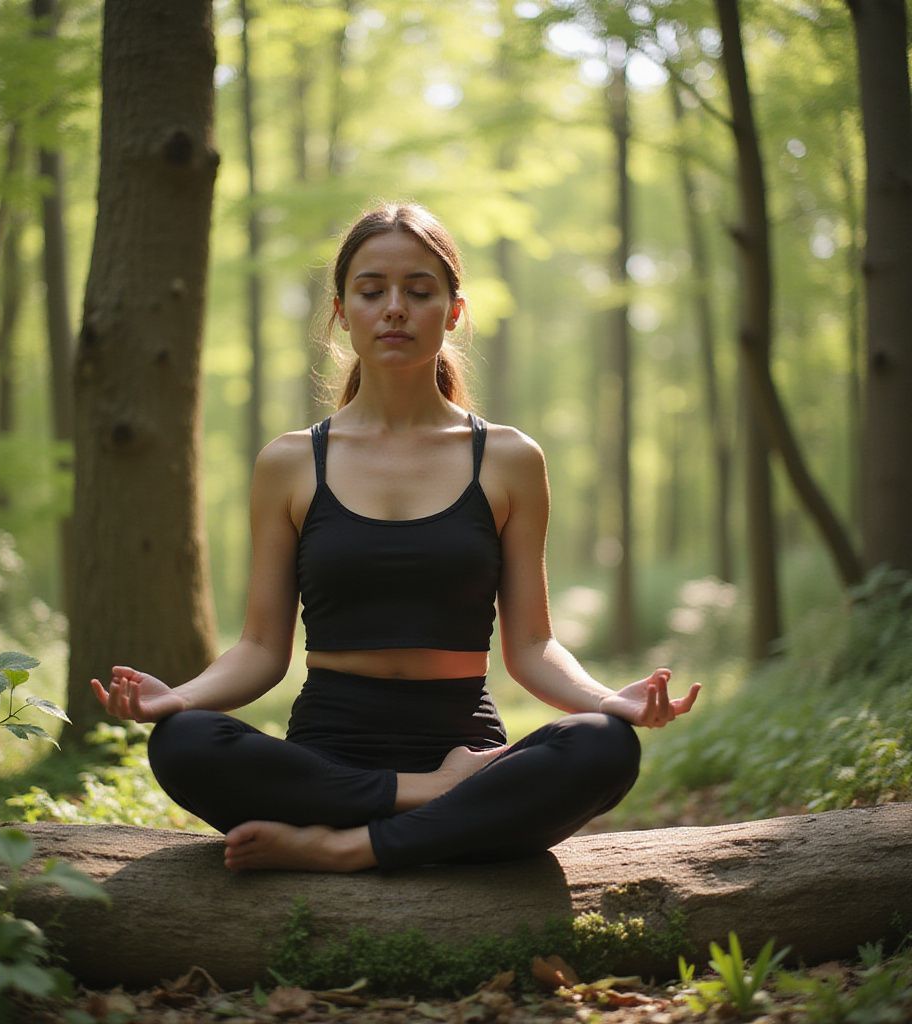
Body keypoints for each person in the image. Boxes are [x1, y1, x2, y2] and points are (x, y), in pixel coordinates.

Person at [91, 201, 700, 873]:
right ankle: (436, 809)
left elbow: (531, 647)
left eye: (419, 291)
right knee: (182, 742)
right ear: (340, 311)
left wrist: (610, 701)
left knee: (604, 747)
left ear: (454, 311)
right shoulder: (291, 462)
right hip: (334, 755)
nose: (395, 309)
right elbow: (263, 649)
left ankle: (350, 845)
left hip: (465, 745)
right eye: (372, 290)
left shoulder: (509, 459)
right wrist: (177, 698)